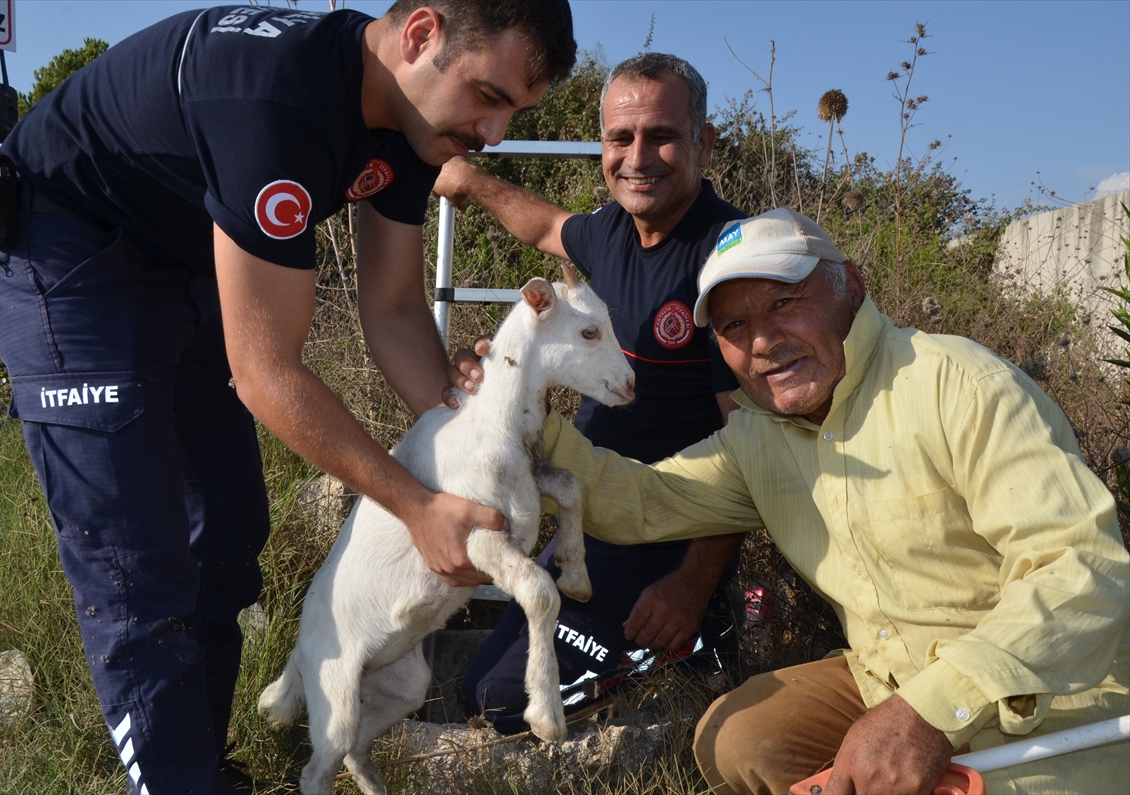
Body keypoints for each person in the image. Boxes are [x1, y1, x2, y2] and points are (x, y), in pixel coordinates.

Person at [0, 2, 575, 793]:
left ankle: (198, 767)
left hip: (177, 254)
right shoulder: (279, 100)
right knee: (136, 567)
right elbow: (263, 372)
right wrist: (419, 508)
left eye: (515, 114)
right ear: (421, 35)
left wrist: (475, 430)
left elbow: (391, 308)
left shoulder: (415, 118)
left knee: (224, 533)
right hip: (64, 243)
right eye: (489, 97)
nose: (494, 135)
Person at [459, 207, 1130, 794]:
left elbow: (1082, 569)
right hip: (886, 678)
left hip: (1053, 697)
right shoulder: (760, 437)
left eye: (784, 303)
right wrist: (524, 419)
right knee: (741, 737)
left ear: (852, 289)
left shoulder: (958, 383)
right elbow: (643, 500)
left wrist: (932, 710)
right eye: (734, 324)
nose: (762, 341)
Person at [433, 52, 749, 734]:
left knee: (506, 705)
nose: (638, 157)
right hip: (592, 530)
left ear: (704, 141)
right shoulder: (609, 231)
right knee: (474, 688)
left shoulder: (730, 261)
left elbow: (755, 452)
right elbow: (546, 224)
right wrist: (468, 179)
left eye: (661, 135)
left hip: (674, 541)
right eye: (619, 138)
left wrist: (690, 587)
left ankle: (704, 639)